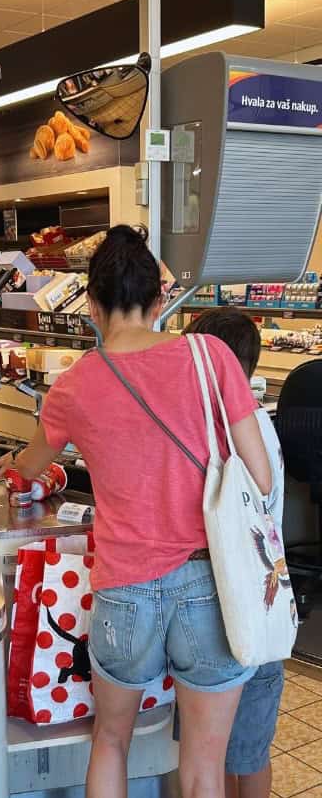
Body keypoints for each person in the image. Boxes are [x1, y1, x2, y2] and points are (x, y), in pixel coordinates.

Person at [0, 225, 272, 798]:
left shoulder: (73, 385)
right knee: (201, 765)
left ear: (91, 305)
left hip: (125, 590)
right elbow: (261, 479)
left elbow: (31, 461)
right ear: (160, 298)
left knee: (110, 740)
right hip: (211, 586)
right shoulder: (211, 355)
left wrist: (17, 467)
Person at [185, 309, 285, 798]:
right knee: (243, 750)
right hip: (260, 605)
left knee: (228, 751)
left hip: (234, 605)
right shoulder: (254, 422)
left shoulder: (226, 429)